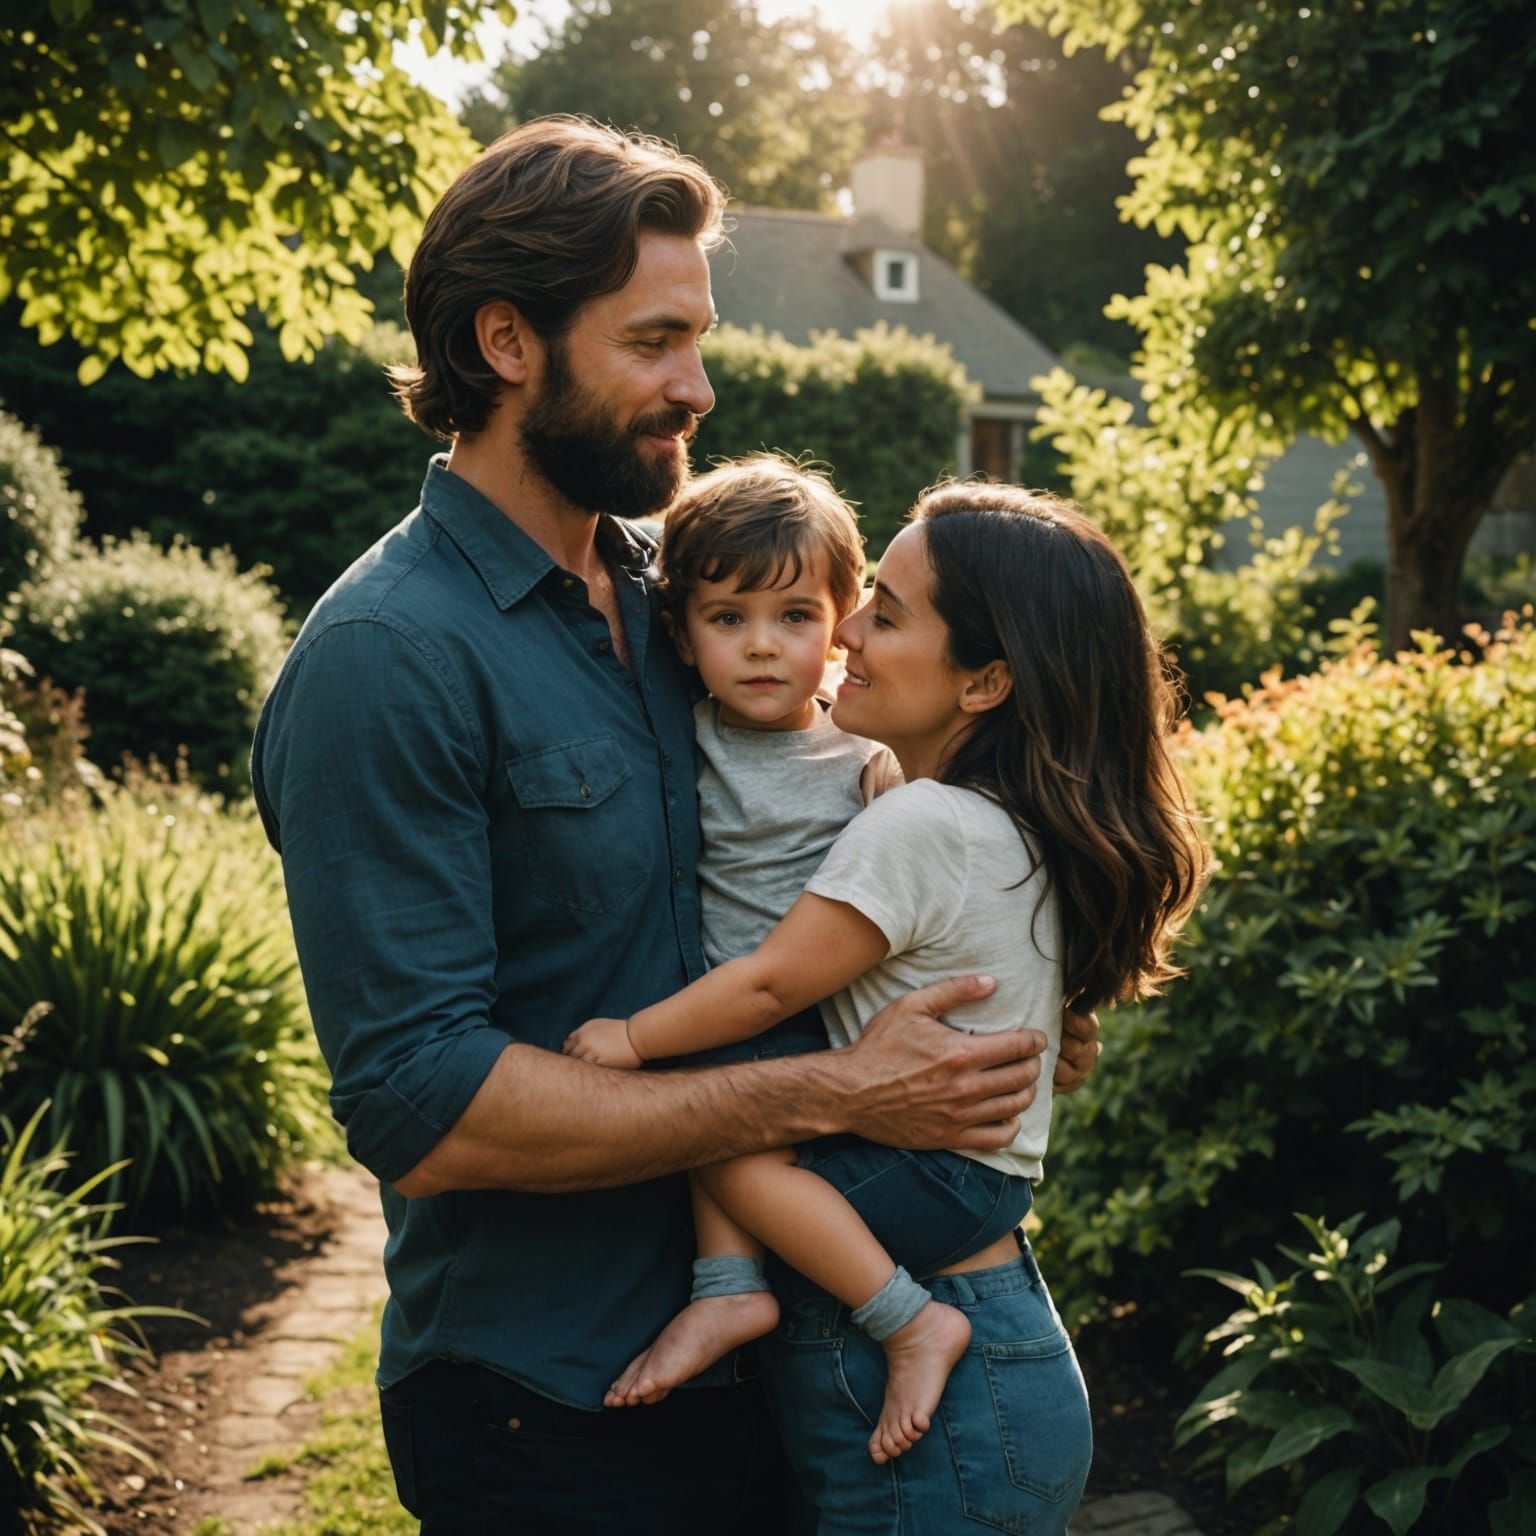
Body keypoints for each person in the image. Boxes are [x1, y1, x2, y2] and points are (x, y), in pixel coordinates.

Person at [250, 116, 1100, 1533]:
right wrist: (827, 1093)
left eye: (699, 340)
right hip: (556, 1395)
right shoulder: (390, 654)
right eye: (654, 343)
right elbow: (420, 1105)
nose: (698, 388)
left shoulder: (690, 599)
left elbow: (913, 785)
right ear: (508, 341)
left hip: (792, 1345)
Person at [574, 482, 1210, 1532]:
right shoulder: (969, 813)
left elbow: (779, 983)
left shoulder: (920, 817)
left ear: (986, 681)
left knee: (711, 1125)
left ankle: (847, 1310)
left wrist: (636, 1043)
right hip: (972, 1324)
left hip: (955, 1365)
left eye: (887, 610)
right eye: (868, 594)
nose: (847, 631)